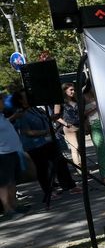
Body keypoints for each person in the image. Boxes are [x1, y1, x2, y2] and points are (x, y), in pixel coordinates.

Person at [10, 90, 79, 207]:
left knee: (60, 162)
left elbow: (46, 121)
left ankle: (69, 186)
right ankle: (49, 191)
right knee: (42, 168)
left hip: (48, 141)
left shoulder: (36, 109)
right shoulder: (20, 114)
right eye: (26, 97)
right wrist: (45, 132)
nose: (30, 98)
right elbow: (28, 132)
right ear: (20, 100)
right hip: (34, 145)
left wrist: (52, 119)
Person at [0, 91, 30, 221]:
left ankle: (14, 205)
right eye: (1, 100)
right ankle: (8, 209)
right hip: (2, 154)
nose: (3, 103)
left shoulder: (1, 115)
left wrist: (13, 117)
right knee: (4, 183)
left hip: (12, 151)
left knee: (12, 181)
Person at [82, 88, 105, 182]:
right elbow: (81, 113)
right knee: (101, 150)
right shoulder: (84, 96)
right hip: (95, 124)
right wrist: (94, 107)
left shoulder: (101, 91)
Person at [55, 82, 83, 169]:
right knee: (75, 147)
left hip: (79, 125)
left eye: (74, 90)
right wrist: (66, 124)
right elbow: (55, 116)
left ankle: (83, 166)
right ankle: (79, 168)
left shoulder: (75, 100)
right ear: (64, 90)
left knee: (81, 147)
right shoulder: (59, 102)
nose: (73, 91)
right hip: (69, 128)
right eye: (71, 90)